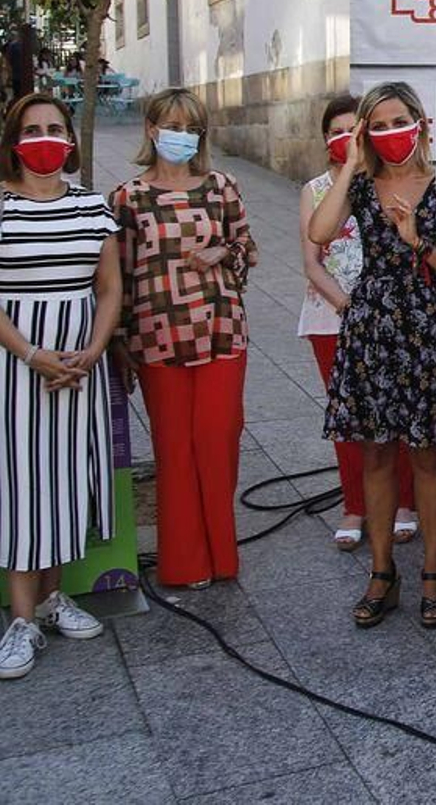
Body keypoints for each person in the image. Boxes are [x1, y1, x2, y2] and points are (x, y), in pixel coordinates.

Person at [310, 81, 436, 630]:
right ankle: (382, 572)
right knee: (376, 454)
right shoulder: (358, 186)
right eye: (376, 125)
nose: (390, 133)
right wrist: (351, 163)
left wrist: (416, 242)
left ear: (421, 123)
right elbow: (320, 229)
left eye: (398, 121)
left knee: (427, 457)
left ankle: (432, 570)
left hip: (426, 325)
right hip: (371, 324)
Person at [111, 88, 258, 590]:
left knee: (217, 444)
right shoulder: (128, 198)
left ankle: (223, 557)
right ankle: (184, 562)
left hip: (221, 331)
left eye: (191, 127)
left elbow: (246, 248)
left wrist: (223, 253)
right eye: (172, 125)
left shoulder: (221, 186)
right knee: (173, 451)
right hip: (157, 338)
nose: (181, 136)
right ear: (151, 129)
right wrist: (121, 343)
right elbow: (120, 276)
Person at [0, 94, 120, 680]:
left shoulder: (93, 207)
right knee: (23, 484)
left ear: (70, 139)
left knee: (67, 477)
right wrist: (34, 355)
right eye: (33, 129)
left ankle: (53, 597)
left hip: (80, 366)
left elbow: (109, 289)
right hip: (19, 369)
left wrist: (93, 351)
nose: (45, 138)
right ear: (14, 140)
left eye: (55, 128)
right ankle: (21, 621)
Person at [297, 94, 417, 551]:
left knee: (398, 414)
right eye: (335, 132)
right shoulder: (315, 189)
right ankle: (354, 505)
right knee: (348, 420)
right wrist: (350, 307)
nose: (344, 139)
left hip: (391, 319)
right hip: (333, 317)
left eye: (353, 130)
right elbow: (313, 260)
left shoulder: (389, 182)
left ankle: (404, 502)